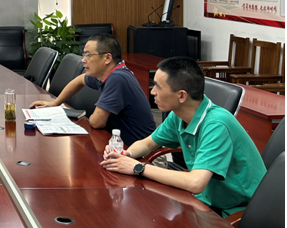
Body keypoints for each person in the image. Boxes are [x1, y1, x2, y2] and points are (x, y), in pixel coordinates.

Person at [101, 57, 266, 217]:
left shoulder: (217, 124)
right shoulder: (178, 115)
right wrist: (125, 155)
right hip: (205, 200)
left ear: (181, 96)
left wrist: (138, 167)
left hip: (239, 211)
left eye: (158, 87)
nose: (152, 92)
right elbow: (147, 144)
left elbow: (196, 183)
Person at [30, 33, 155, 146]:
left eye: (88, 55)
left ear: (107, 58)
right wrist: (55, 103)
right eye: (84, 55)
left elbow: (96, 122)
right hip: (115, 141)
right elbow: (80, 80)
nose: (83, 60)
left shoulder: (117, 78)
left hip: (139, 150)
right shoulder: (107, 73)